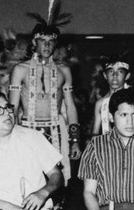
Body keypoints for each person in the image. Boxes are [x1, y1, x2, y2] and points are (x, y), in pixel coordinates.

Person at [9, 14, 81, 183]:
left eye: (51, 41)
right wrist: (10, 137)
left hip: (56, 130)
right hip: (27, 129)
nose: (47, 45)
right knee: (29, 176)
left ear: (56, 44)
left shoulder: (64, 71)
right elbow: (12, 107)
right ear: (34, 42)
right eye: (43, 40)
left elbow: (70, 107)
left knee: (57, 179)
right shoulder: (20, 69)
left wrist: (75, 140)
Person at [92, 56, 131, 136]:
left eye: (120, 71)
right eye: (111, 71)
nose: (115, 75)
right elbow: (95, 134)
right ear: (105, 75)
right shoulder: (100, 104)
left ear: (127, 76)